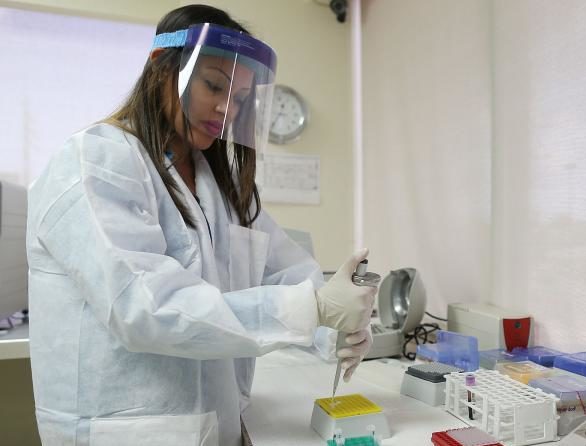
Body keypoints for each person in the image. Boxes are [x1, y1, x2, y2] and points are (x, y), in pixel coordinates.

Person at [25, 5, 375, 446]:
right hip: (128, 431)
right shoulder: (98, 161)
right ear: (160, 67)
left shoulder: (217, 185)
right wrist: (315, 309)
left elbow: (283, 269)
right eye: (214, 85)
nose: (227, 108)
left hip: (216, 423)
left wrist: (337, 325)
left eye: (241, 99)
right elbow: (145, 307)